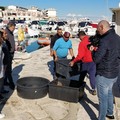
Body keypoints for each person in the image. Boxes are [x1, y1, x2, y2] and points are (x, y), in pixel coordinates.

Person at [90, 20, 120, 120]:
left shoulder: (105, 40)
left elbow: (96, 59)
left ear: (102, 27)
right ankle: (110, 113)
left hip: (104, 74)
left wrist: (93, 51)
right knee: (110, 93)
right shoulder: (117, 38)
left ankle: (101, 118)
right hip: (114, 73)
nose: (97, 31)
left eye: (98, 29)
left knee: (102, 99)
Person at [69, 31, 96, 95]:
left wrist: (73, 61)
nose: (79, 39)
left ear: (81, 36)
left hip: (86, 63)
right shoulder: (92, 40)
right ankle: (93, 89)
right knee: (92, 76)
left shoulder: (82, 43)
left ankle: (79, 88)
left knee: (82, 76)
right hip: (93, 61)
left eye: (79, 37)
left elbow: (80, 56)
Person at [4, 21, 16, 90]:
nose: (14, 29)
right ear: (10, 26)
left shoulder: (11, 32)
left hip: (11, 53)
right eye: (13, 28)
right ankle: (12, 84)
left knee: (7, 69)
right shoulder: (6, 32)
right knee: (8, 70)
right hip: (7, 54)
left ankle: (5, 81)